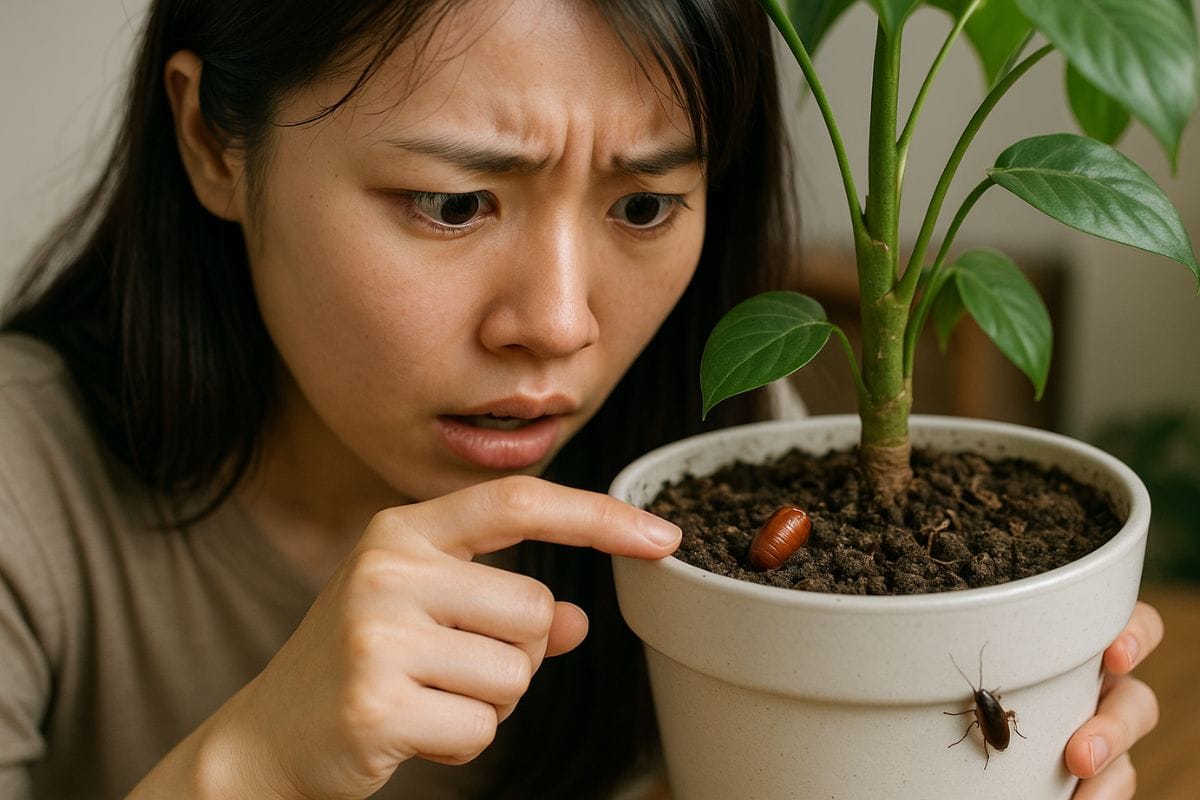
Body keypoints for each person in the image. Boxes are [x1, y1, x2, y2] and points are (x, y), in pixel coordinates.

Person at [0, 1, 1162, 798]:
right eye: (453, 204)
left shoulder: (725, 452)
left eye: (646, 207)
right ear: (213, 141)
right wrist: (249, 763)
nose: (558, 323)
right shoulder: (25, 486)